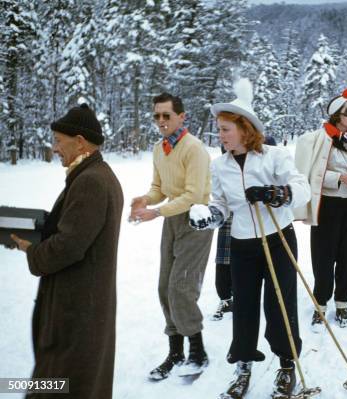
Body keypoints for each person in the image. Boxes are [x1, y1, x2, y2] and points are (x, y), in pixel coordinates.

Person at [189, 79, 310, 398]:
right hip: (243, 246)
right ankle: (243, 365)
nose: (220, 134)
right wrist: (209, 216)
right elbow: (222, 205)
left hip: (278, 239)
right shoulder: (220, 166)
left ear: (245, 129)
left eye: (225, 128)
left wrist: (276, 193)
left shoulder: (274, 156)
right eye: (219, 128)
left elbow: (303, 189)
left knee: (280, 303)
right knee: (243, 306)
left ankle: (286, 365)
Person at [10, 104, 123, 399]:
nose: (55, 147)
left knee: (61, 385)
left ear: (80, 141)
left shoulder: (91, 181)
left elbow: (68, 246)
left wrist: (31, 249)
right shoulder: (93, 174)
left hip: (77, 313)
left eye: (59, 140)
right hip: (82, 307)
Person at [130, 93, 214, 380]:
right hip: (171, 220)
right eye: (157, 116)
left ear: (182, 116)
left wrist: (157, 212)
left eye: (167, 115)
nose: (161, 121)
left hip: (195, 220)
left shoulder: (194, 149)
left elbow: (192, 196)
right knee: (165, 287)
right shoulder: (159, 148)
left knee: (181, 287)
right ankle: (175, 351)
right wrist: (144, 199)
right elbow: (159, 188)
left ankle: (198, 350)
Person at [294, 88, 347, 328]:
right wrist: (340, 178)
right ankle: (320, 305)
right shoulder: (321, 138)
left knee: (346, 257)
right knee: (323, 258)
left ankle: (342, 305)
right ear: (336, 115)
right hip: (326, 205)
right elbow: (313, 174)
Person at [212, 135, 277, 322]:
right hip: (232, 208)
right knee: (224, 258)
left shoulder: (268, 143)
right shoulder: (231, 143)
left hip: (261, 213)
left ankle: (260, 299)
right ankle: (225, 298)